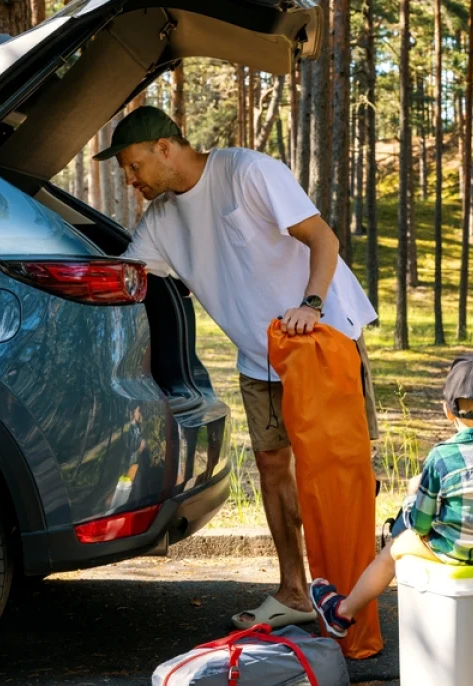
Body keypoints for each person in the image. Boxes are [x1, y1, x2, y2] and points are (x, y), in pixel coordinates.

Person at [98, 106, 380, 629]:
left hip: (322, 340)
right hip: (260, 356)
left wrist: (311, 305)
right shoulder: (160, 222)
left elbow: (324, 239)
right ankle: (295, 591)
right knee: (273, 468)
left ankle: (354, 597)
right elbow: (124, 277)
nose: (130, 179)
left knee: (339, 472)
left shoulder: (248, 172)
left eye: (133, 166)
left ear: (165, 148)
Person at [306, 352, 473, 638]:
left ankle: (342, 612)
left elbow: (420, 525)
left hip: (461, 554)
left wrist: (410, 497)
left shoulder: (442, 457)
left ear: (448, 412)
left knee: (394, 549)